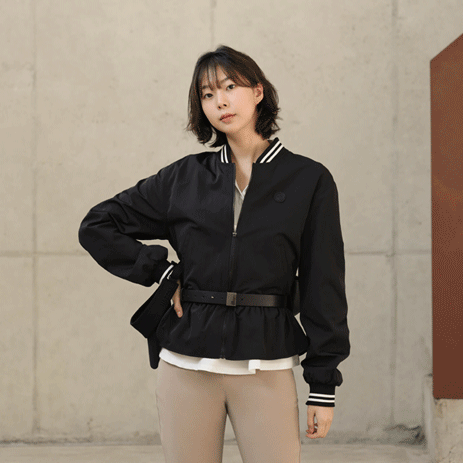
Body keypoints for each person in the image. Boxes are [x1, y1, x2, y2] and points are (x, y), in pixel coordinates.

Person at [78, 45, 350, 463]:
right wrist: (161, 273)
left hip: (266, 363)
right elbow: (98, 224)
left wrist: (322, 385)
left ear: (257, 92)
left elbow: (323, 283)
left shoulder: (308, 180)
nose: (220, 101)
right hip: (185, 364)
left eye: (229, 87)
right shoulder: (185, 177)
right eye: (207, 94)